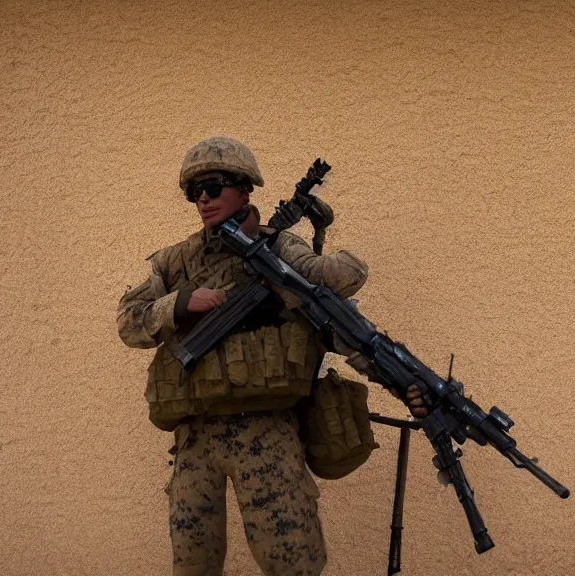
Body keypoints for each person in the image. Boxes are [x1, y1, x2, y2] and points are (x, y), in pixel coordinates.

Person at [116, 136, 421, 575]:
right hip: (196, 438)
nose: (203, 198)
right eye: (194, 191)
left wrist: (400, 384)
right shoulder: (173, 262)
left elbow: (333, 305)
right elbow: (130, 323)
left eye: (215, 186)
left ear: (244, 189)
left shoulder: (279, 249)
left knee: (293, 564)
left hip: (268, 435)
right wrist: (182, 302)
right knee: (192, 566)